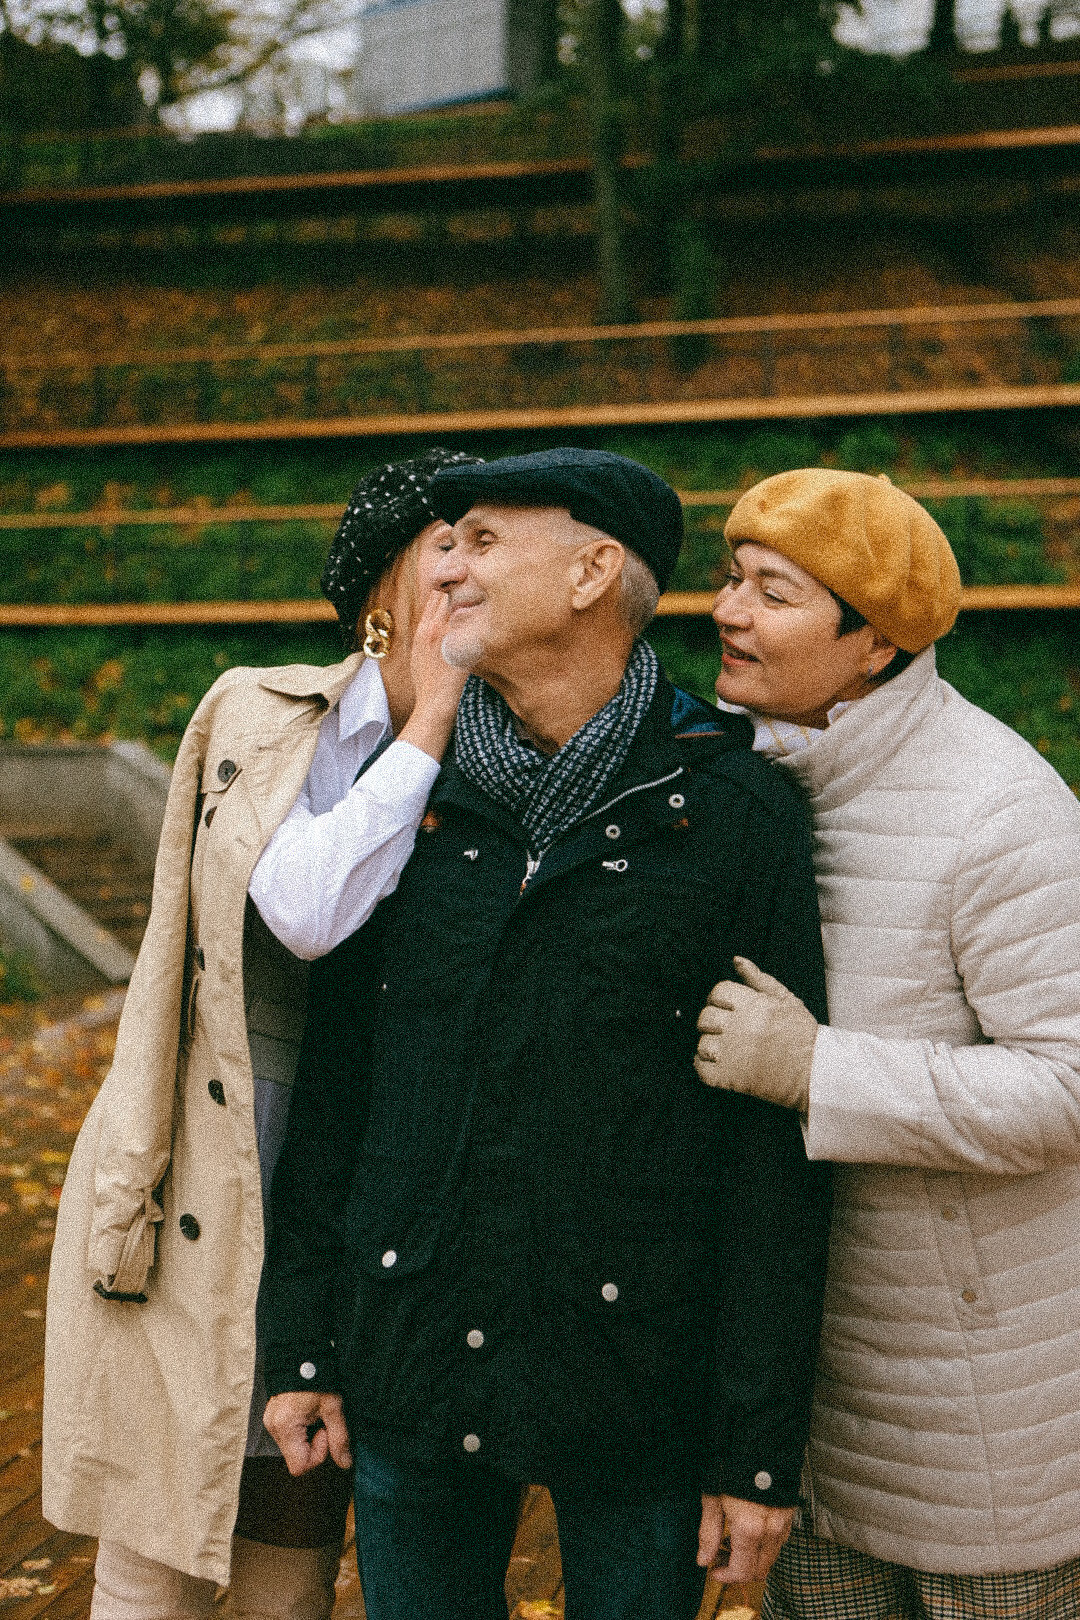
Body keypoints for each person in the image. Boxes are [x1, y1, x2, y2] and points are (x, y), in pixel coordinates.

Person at [258, 446, 834, 1620]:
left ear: (593, 571)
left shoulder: (737, 817)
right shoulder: (403, 803)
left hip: (637, 1385)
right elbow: (340, 1092)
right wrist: (303, 1346)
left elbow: (770, 1160)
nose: (445, 570)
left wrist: (754, 1449)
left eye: (479, 540)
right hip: (409, 1355)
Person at [43, 448, 481, 1620]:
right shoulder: (262, 708)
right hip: (205, 1174)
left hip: (355, 1192)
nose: (474, 570)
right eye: (451, 544)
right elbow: (303, 908)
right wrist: (429, 722)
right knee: (155, 1561)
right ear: (381, 590)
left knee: (288, 1569)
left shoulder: (508, 756)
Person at [694, 467, 1080, 1620]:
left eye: (772, 591)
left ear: (875, 644)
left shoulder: (1002, 810)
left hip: (981, 1423)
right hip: (813, 1404)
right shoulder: (735, 786)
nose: (727, 610)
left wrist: (819, 1070)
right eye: (730, 577)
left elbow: (1067, 1086)